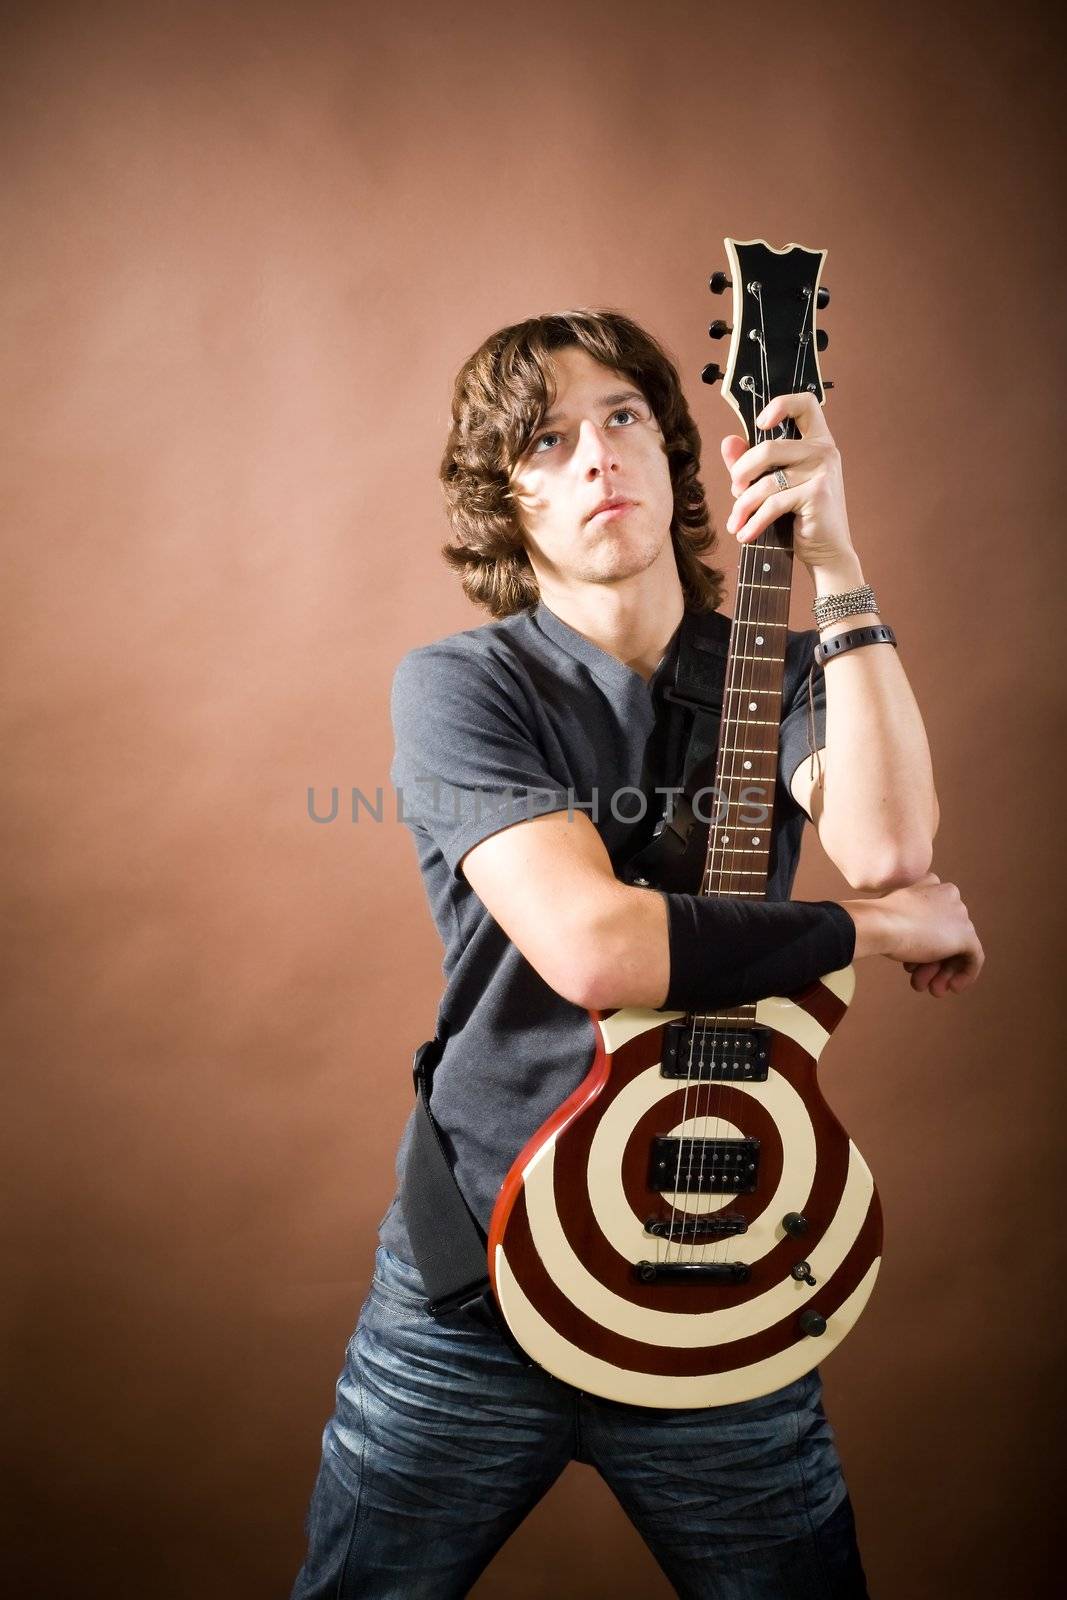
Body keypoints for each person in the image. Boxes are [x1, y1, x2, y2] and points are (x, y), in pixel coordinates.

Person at [289, 309, 983, 1599]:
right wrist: (871, 933)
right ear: (508, 504)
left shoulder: (776, 671)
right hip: (480, 1291)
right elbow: (597, 949)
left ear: (675, 452)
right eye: (547, 442)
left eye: (619, 419)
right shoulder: (463, 686)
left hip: (716, 1267)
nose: (596, 456)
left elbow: (889, 843)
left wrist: (835, 565)